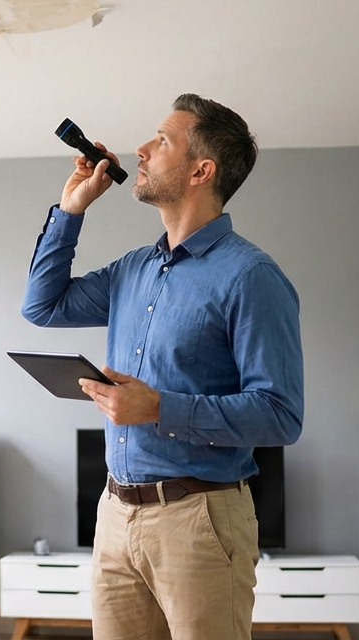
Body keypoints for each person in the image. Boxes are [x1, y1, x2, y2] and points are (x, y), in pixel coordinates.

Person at [21, 94, 305, 640]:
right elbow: (42, 306)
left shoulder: (252, 277)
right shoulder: (134, 269)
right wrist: (71, 210)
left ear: (201, 171)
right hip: (115, 513)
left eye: (162, 140)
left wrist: (157, 407)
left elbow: (280, 415)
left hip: (200, 519)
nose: (142, 149)